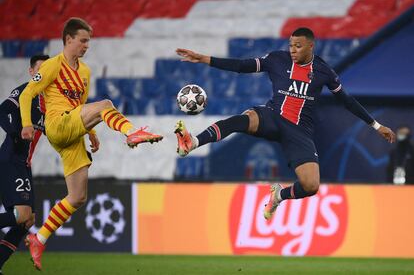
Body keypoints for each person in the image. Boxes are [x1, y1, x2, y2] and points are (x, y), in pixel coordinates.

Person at [175, 27, 396, 220]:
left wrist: (376, 126)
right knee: (242, 121)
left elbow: (347, 101)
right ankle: (192, 142)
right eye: (291, 45)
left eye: (298, 46)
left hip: (299, 131)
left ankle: (278, 196)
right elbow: (242, 66)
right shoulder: (276, 59)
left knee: (311, 186)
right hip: (272, 116)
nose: (292, 49)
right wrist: (204, 59)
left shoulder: (323, 71)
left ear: (311, 46)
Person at [19, 17, 163, 270]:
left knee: (77, 197)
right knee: (106, 104)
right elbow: (28, 94)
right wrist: (27, 124)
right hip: (57, 124)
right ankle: (131, 132)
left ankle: (38, 238)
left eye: (89, 42)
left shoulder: (84, 71)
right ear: (68, 39)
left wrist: (92, 132)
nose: (87, 46)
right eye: (83, 41)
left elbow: (81, 108)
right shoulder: (53, 65)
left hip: (72, 132)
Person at [0, 54, 49, 274]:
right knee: (21, 215)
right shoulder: (25, 91)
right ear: (31, 72)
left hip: (24, 164)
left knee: (27, 221)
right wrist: (15, 132)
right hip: (12, 159)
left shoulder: (50, 101)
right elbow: (2, 111)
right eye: (39, 70)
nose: (43, 75)